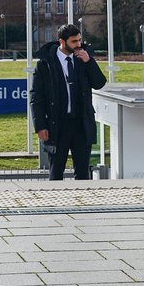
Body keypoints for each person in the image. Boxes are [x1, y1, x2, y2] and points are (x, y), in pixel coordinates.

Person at [31, 23, 107, 180]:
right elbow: (36, 97)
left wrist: (89, 62)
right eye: (74, 41)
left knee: (83, 172)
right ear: (62, 42)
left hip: (81, 123)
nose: (78, 45)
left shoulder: (84, 59)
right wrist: (40, 125)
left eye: (79, 40)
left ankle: (83, 202)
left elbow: (99, 83)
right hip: (57, 125)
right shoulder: (45, 64)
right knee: (56, 171)